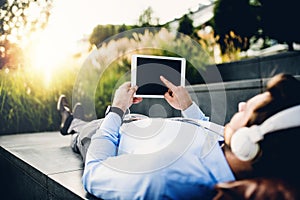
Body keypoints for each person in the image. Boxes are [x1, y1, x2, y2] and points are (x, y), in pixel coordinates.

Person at [57, 73, 300, 199]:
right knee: (103, 123)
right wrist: (188, 107)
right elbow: (209, 131)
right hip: (149, 126)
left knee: (89, 131)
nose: (240, 106)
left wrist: (118, 109)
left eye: (247, 110)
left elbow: (96, 170)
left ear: (248, 143)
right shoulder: (231, 150)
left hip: (116, 134)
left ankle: (70, 122)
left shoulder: (164, 179)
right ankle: (74, 120)